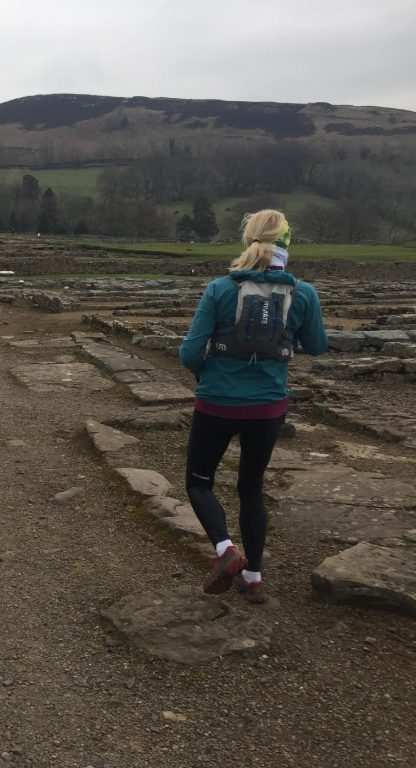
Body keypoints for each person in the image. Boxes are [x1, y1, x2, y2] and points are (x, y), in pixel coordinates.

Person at [178, 210, 327, 604]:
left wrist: (205, 375)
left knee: (199, 482)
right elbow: (316, 345)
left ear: (247, 240)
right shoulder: (303, 293)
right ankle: (254, 578)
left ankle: (226, 551)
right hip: (267, 408)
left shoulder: (220, 289)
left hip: (217, 403)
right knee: (251, 488)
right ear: (287, 243)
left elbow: (190, 351)